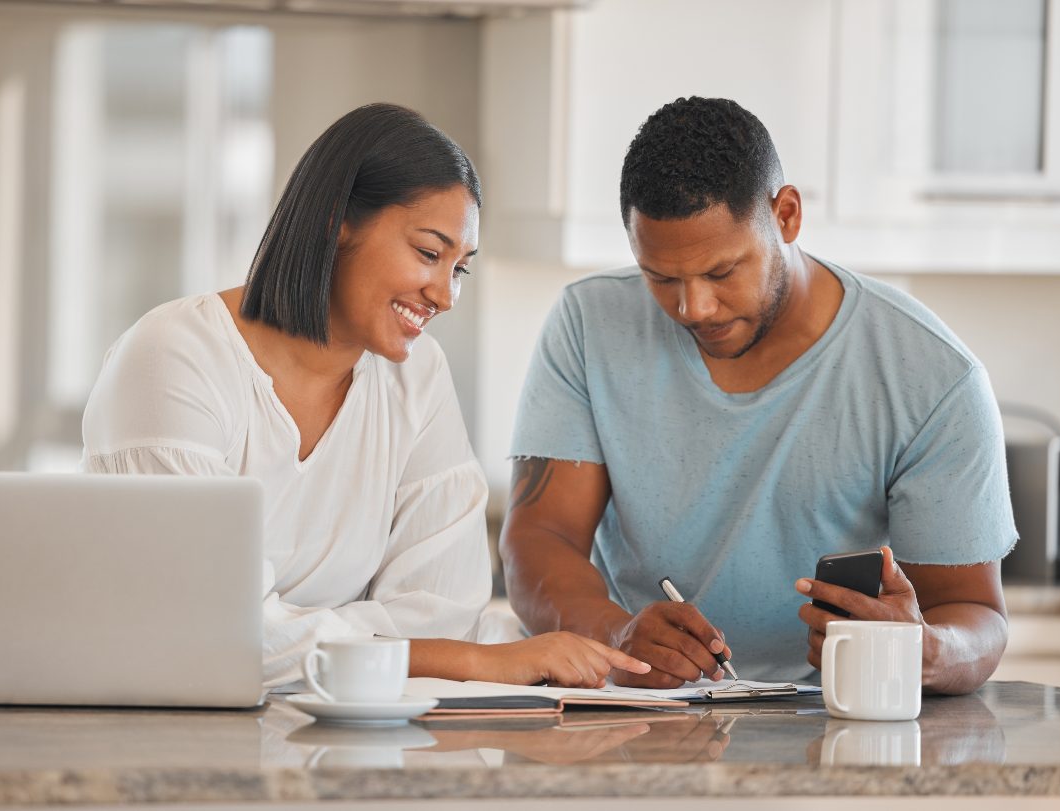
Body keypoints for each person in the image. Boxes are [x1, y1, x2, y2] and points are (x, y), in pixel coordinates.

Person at [82, 103, 648, 690]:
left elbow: (445, 610)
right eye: (429, 254)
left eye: (461, 268)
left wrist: (287, 632)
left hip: (340, 733)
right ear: (337, 223)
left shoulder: (416, 375)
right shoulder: (172, 356)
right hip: (155, 730)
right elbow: (212, 633)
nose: (446, 296)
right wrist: (467, 660)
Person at [499, 96, 1015, 695]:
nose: (693, 308)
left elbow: (978, 617)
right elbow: (539, 540)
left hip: (829, 717)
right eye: (661, 278)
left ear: (787, 215)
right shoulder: (587, 325)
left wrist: (924, 649)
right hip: (634, 709)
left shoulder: (932, 376)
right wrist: (617, 636)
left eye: (721, 272)